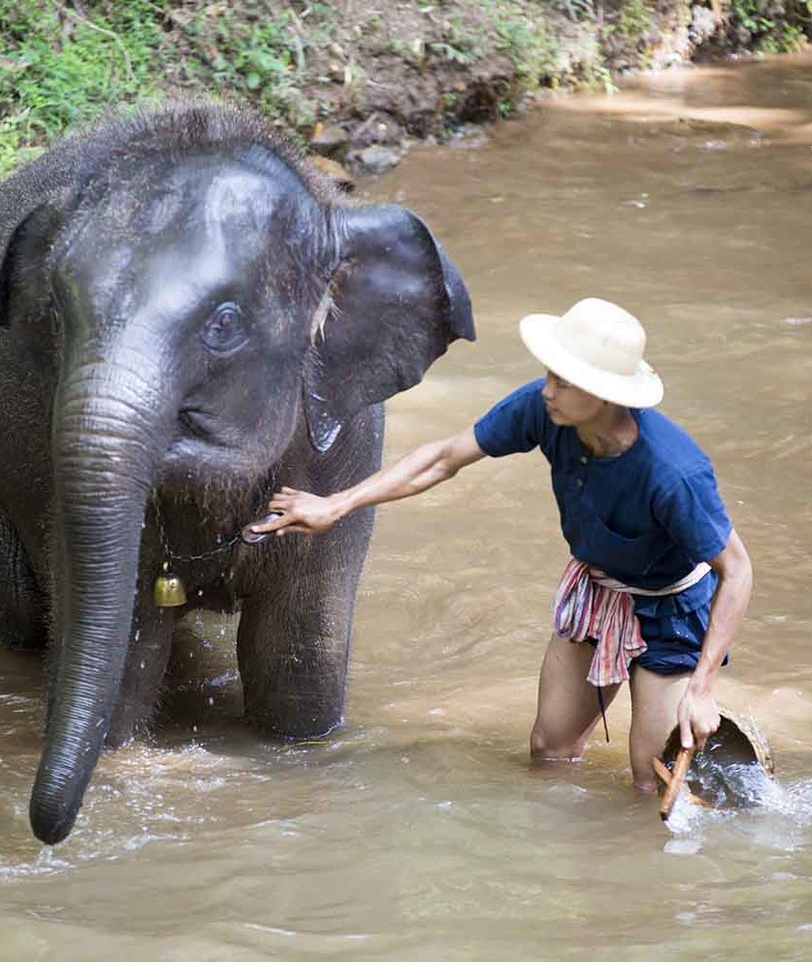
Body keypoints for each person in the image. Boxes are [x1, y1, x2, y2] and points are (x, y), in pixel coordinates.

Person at [251, 298, 753, 792]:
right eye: (550, 374)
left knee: (651, 778)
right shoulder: (546, 411)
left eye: (564, 381)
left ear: (604, 395)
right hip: (598, 588)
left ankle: (703, 741)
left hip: (670, 608)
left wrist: (703, 688)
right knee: (549, 749)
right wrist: (335, 505)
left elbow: (737, 570)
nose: (548, 390)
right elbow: (444, 458)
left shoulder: (673, 473)